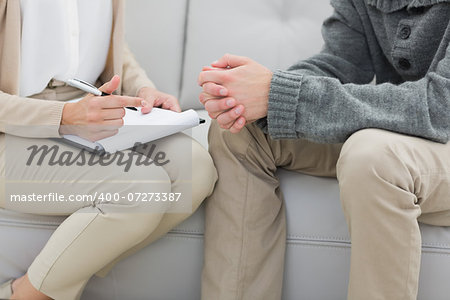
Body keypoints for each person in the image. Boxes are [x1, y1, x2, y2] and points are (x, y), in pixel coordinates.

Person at [198, 0, 450, 299]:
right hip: (403, 135)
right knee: (240, 130)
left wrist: (278, 93)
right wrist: (253, 93)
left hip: (430, 141)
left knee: (372, 155)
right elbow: (336, 65)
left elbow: (440, 107)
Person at [0, 0, 217, 299]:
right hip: (11, 123)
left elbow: (106, 45)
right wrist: (65, 118)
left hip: (85, 105)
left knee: (196, 169)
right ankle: (25, 295)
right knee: (141, 189)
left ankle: (50, 282)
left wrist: (142, 88)